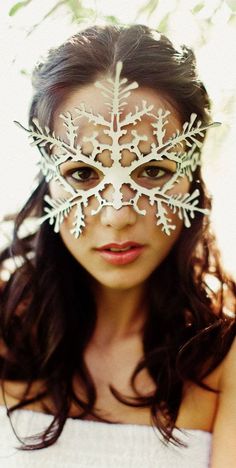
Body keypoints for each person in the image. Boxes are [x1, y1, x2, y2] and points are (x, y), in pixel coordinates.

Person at [0, 24, 235, 468]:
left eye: (152, 170)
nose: (118, 215)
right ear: (48, 180)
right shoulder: (4, 328)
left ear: (192, 177)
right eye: (84, 174)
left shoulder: (223, 358)